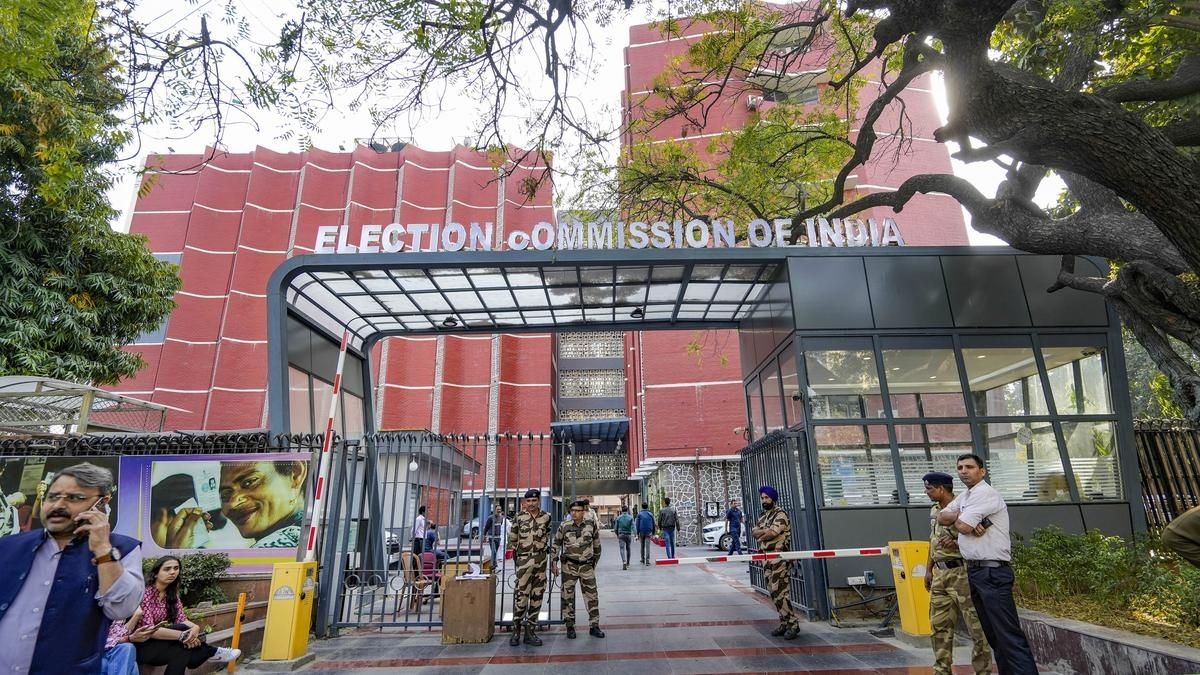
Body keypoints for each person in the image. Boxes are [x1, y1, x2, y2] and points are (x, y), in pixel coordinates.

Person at [0, 462, 144, 674]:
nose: (58, 505)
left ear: (101, 503)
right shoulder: (9, 546)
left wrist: (103, 550)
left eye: (74, 498)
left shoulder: (123, 549)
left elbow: (121, 608)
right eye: (53, 496)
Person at [937, 454, 1039, 675]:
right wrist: (963, 517)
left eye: (970, 467)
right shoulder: (965, 496)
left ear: (982, 471)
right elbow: (941, 517)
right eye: (960, 467)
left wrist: (960, 518)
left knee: (1008, 635)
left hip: (992, 572)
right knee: (994, 636)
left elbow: (962, 526)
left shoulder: (987, 494)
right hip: (975, 571)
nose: (964, 471)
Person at [922, 472, 992, 675]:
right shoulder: (935, 510)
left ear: (941, 489)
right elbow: (933, 541)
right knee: (939, 626)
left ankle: (983, 671)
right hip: (940, 576)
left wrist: (957, 543)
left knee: (976, 628)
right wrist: (928, 569)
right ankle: (942, 670)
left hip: (963, 573)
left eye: (929, 489)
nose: (926, 492)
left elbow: (982, 537)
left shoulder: (965, 508)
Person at [155, 460, 308, 549]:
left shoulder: (280, 543)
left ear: (295, 474)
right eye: (225, 495)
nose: (233, 504)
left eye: (249, 482)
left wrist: (174, 557)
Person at [131, 556, 240, 674]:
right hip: (139, 646)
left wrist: (195, 628)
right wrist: (183, 635)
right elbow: (149, 630)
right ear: (156, 573)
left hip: (157, 646)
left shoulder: (171, 594)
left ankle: (208, 653)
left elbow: (181, 619)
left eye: (176, 568)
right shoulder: (145, 593)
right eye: (167, 569)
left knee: (182, 648)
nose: (172, 572)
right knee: (184, 633)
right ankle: (211, 652)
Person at [750, 484, 800, 640]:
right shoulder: (763, 516)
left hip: (780, 559)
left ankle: (793, 624)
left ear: (773, 498)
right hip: (766, 559)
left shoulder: (781, 514)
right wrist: (763, 532)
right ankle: (784, 622)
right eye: (762, 498)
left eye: (767, 497)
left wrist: (763, 533)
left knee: (781, 592)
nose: (764, 500)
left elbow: (773, 532)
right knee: (773, 592)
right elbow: (754, 532)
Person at [553, 500, 605, 639]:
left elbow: (597, 546)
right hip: (569, 566)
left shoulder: (590, 524)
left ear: (583, 511)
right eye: (572, 511)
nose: (574, 513)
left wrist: (593, 563)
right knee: (567, 596)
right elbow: (556, 545)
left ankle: (594, 626)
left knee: (592, 596)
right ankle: (569, 626)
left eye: (577, 510)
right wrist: (554, 563)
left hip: (586, 566)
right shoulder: (564, 526)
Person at [508, 489, 552, 646]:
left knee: (537, 597)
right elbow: (512, 538)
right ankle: (516, 631)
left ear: (538, 501)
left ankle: (530, 632)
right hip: (524, 563)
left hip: (540, 563)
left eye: (534, 501)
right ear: (524, 502)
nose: (531, 504)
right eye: (529, 501)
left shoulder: (546, 517)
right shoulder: (519, 518)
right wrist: (520, 556)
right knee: (521, 597)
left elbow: (547, 537)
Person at [613, 505, 634, 570]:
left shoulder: (618, 518)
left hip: (621, 535)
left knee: (622, 548)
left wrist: (617, 534)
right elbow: (633, 527)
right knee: (628, 548)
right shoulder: (630, 518)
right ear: (627, 510)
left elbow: (615, 528)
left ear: (622, 510)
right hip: (628, 535)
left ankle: (624, 561)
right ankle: (628, 563)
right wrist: (636, 534)